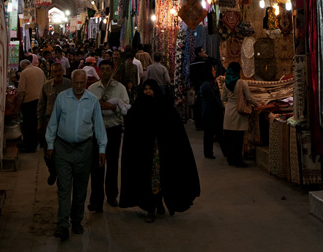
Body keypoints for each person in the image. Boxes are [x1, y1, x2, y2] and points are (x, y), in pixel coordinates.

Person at [119, 79, 200, 223]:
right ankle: (151, 208)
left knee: (160, 178)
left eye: (150, 89)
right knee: (148, 179)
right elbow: (132, 125)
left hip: (161, 152)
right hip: (144, 154)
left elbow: (174, 128)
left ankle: (159, 203)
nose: (148, 92)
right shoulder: (139, 107)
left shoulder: (164, 106)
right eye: (145, 89)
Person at [46, 70, 107, 241]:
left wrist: (102, 149)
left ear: (86, 83)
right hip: (63, 149)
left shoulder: (92, 100)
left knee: (80, 188)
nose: (79, 87)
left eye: (82, 83)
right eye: (76, 83)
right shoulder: (62, 98)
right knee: (64, 188)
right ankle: (62, 224)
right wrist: (50, 144)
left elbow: (99, 126)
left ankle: (77, 220)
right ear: (71, 82)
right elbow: (53, 122)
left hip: (84, 150)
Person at [88, 60, 130, 212]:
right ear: (99, 71)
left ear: (112, 70)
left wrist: (114, 107)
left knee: (112, 164)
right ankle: (96, 200)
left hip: (114, 129)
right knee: (97, 165)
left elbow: (126, 105)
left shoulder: (120, 88)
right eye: (102, 69)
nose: (105, 72)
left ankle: (112, 196)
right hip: (97, 131)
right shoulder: (93, 88)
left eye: (108, 69)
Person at [37, 63, 71, 185]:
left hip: (66, 123)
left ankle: (63, 174)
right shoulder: (46, 86)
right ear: (51, 73)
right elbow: (41, 105)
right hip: (50, 122)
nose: (58, 73)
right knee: (48, 152)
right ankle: (53, 171)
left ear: (63, 71)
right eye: (55, 71)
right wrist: (40, 123)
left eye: (59, 71)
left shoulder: (69, 85)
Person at [221, 61, 253, 168]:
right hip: (239, 112)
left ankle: (230, 159)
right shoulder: (242, 82)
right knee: (238, 139)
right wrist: (259, 104)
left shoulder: (225, 83)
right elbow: (249, 98)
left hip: (229, 111)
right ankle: (238, 161)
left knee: (229, 138)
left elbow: (223, 98)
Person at [199, 59, 227, 160]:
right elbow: (214, 99)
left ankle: (221, 152)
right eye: (213, 70)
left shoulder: (208, 83)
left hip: (211, 111)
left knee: (214, 132)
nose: (214, 71)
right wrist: (222, 107)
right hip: (210, 112)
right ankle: (210, 152)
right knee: (212, 132)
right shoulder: (207, 85)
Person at [17, 59, 45, 152]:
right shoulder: (40, 70)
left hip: (29, 101)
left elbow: (21, 90)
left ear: (22, 66)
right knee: (39, 122)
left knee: (29, 124)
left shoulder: (24, 73)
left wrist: (18, 105)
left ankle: (30, 146)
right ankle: (41, 143)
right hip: (40, 100)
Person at [189, 47, 208, 129]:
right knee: (202, 105)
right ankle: (202, 123)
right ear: (199, 53)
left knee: (198, 105)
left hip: (197, 86)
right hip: (203, 86)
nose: (205, 52)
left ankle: (198, 123)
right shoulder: (204, 63)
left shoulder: (192, 64)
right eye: (203, 51)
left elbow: (191, 76)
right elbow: (215, 62)